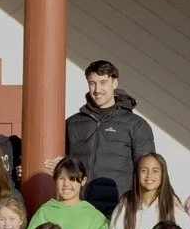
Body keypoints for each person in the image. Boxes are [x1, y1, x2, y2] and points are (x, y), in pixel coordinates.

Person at [63, 60, 157, 215]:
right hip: (79, 209)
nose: (97, 89)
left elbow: (147, 171)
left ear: (115, 83)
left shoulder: (135, 124)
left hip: (119, 210)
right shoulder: (73, 123)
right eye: (92, 83)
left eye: (103, 82)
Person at [26, 157, 110, 229]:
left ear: (83, 181)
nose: (66, 184)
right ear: (55, 179)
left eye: (72, 179)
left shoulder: (95, 217)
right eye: (61, 178)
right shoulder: (45, 212)